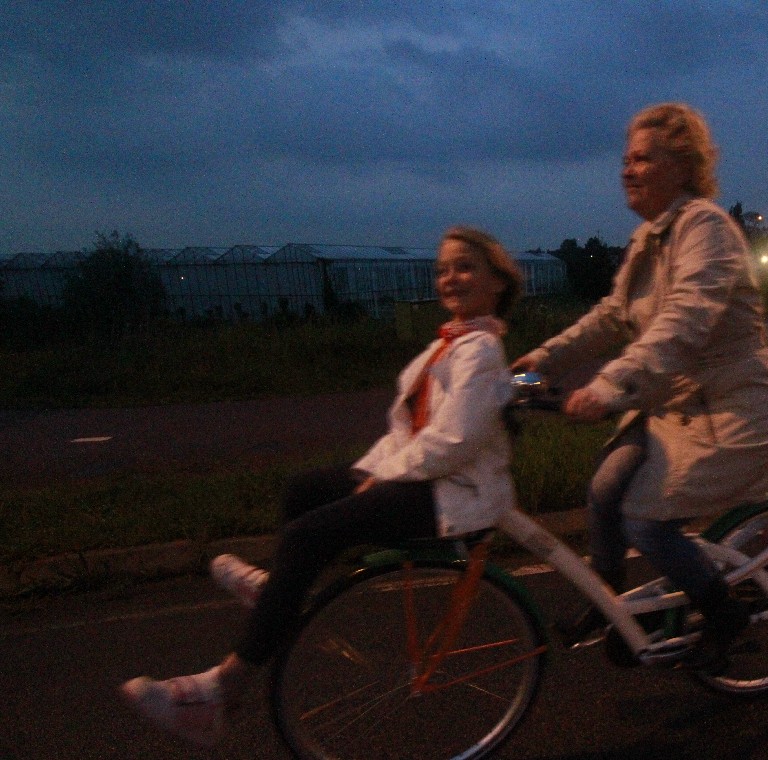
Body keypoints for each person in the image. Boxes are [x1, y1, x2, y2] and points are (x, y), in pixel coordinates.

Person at [119, 227, 525, 747]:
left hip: (454, 495)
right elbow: (409, 432)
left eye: (465, 267)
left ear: (497, 282)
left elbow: (453, 442)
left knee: (309, 534)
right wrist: (367, 473)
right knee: (305, 490)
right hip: (430, 478)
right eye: (443, 269)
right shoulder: (448, 345)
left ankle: (222, 688)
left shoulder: (481, 350)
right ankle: (280, 592)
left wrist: (382, 479)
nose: (450, 278)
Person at [512, 102, 768, 672]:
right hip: (675, 406)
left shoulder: (706, 229)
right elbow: (611, 317)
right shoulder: (649, 238)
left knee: (643, 519)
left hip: (733, 410)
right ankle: (612, 604)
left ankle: (725, 615)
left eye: (643, 159)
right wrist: (541, 361)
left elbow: (684, 323)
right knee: (604, 488)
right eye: (626, 159)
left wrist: (609, 385)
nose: (627, 169)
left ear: (683, 166)